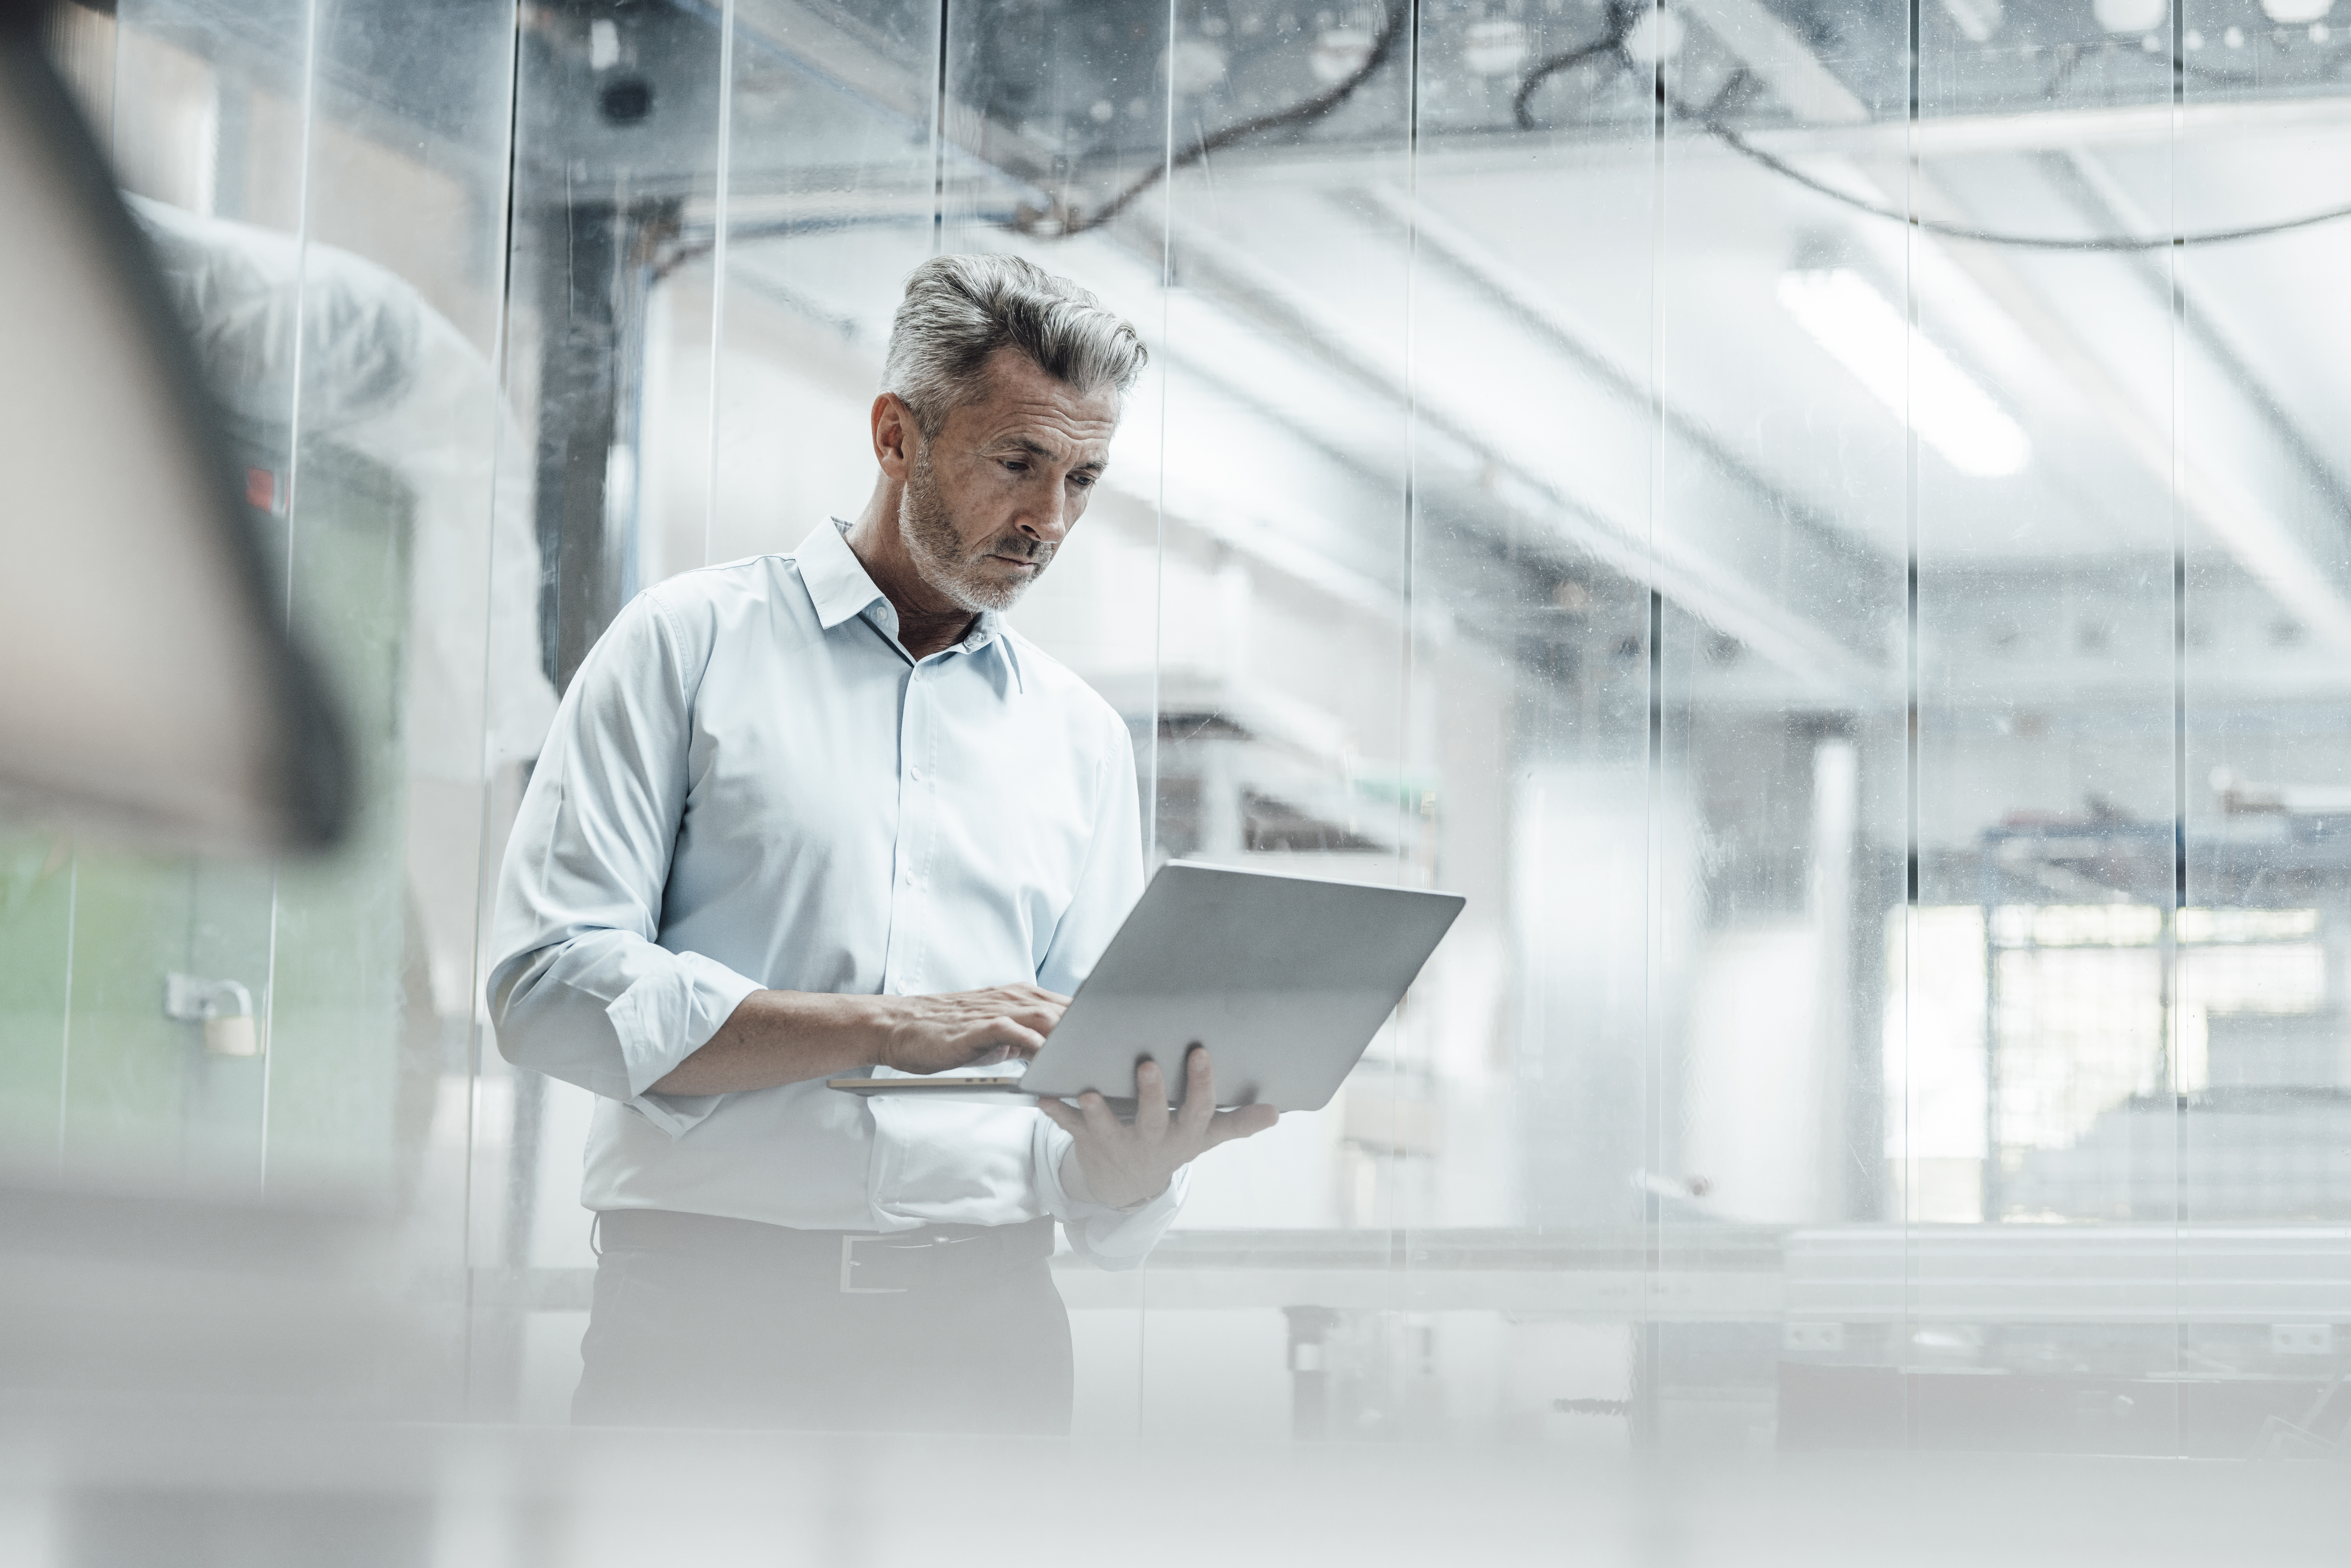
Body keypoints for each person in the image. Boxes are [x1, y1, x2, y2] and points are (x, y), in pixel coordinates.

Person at [487, 254, 1278, 1433]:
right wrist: (885, 1028)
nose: (1047, 521)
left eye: (1082, 478)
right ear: (895, 434)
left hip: (983, 1342)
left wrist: (1127, 1167)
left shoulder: (1077, 739)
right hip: (710, 1333)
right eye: (1017, 462)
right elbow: (545, 990)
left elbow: (1067, 1095)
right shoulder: (684, 646)